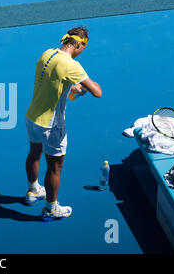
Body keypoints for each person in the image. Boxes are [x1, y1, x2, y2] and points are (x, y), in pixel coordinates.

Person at [24, 27, 102, 220]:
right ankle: (51, 208)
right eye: (83, 47)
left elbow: (53, 78)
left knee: (34, 153)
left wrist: (71, 86)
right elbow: (97, 92)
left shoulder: (47, 53)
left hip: (32, 117)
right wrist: (81, 84)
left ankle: (33, 191)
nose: (82, 51)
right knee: (55, 167)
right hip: (52, 125)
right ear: (79, 44)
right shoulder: (72, 65)